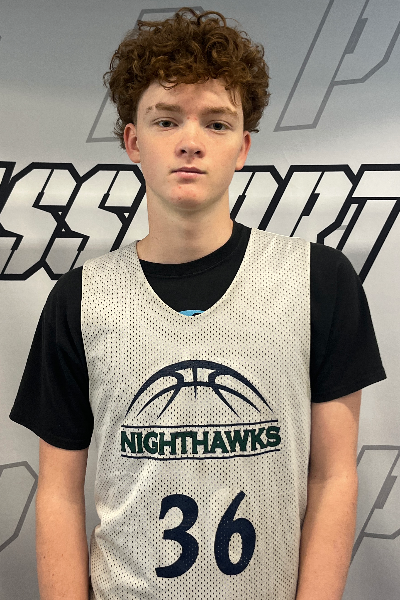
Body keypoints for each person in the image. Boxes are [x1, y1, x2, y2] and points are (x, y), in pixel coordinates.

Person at [10, 7, 386, 600]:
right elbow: (58, 493)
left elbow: (334, 475)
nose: (190, 142)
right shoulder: (81, 299)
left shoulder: (319, 281)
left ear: (242, 146)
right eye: (166, 120)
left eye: (216, 123)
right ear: (133, 141)